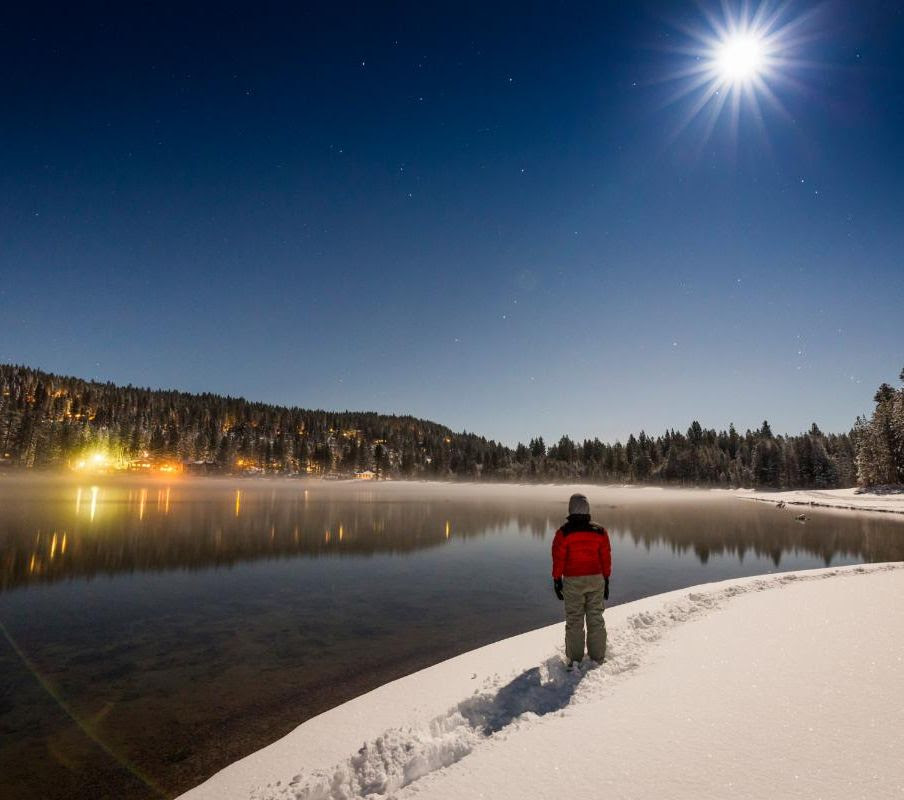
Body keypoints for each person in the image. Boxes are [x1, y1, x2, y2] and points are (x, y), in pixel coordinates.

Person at [551, 493, 612, 667]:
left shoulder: (563, 533)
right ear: (587, 509)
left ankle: (574, 660)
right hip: (596, 579)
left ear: (570, 508)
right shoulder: (600, 531)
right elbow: (605, 557)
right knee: (595, 618)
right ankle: (598, 657)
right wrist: (606, 579)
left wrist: (557, 580)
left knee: (575, 620)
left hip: (573, 581)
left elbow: (558, 558)